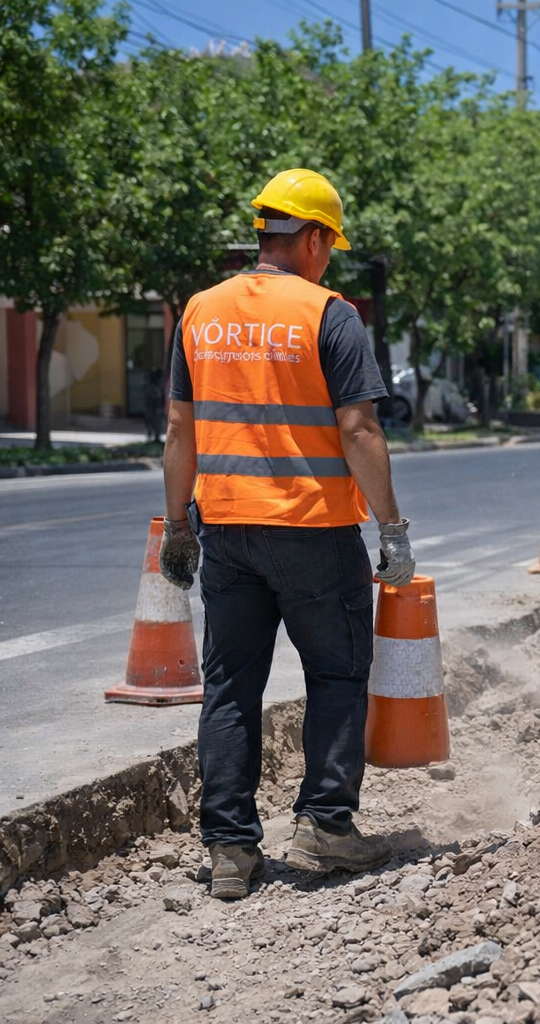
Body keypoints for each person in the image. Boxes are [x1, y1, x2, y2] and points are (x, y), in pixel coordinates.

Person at [158, 168, 417, 900]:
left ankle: (231, 852)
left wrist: (178, 527)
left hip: (228, 531)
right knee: (336, 675)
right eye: (329, 241)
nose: (329, 255)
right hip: (313, 530)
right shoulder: (329, 314)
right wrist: (392, 528)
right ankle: (326, 829)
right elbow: (359, 428)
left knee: (230, 687)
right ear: (309, 237)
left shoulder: (200, 312)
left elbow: (179, 427)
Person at [143, 366, 165, 442]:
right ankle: (151, 432)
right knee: (151, 416)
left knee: (153, 417)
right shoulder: (152, 388)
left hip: (155, 405)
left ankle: (154, 433)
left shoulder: (154, 387)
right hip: (153, 405)